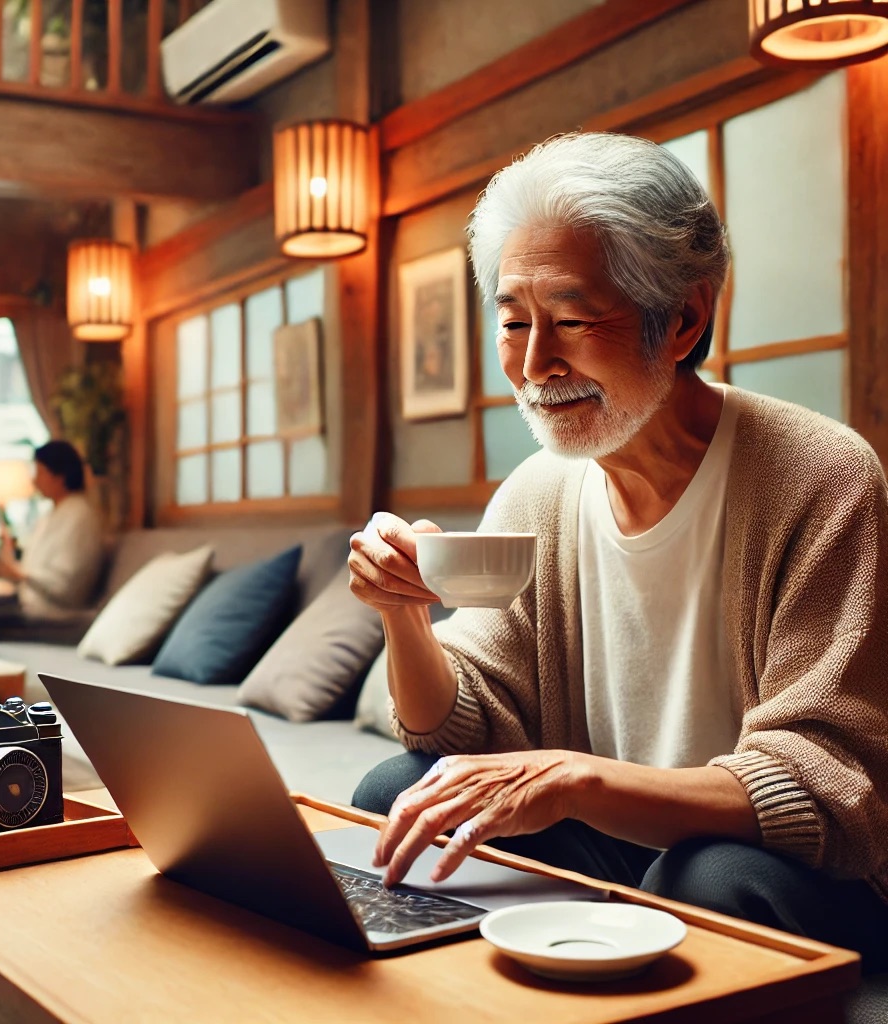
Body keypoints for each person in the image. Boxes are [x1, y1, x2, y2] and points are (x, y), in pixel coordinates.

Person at [347, 132, 888, 972]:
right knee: (401, 793)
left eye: (569, 321)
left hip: (792, 873)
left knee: (710, 872)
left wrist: (576, 779)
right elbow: (457, 727)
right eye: (514, 322)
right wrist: (405, 616)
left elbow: (822, 784)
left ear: (683, 318)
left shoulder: (821, 476)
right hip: (616, 852)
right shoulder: (540, 490)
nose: (533, 367)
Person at [0, 440, 105, 644]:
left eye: (40, 473)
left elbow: (67, 586)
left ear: (59, 476)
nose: (34, 481)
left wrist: (18, 574)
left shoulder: (80, 516)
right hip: (31, 604)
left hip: (57, 616)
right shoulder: (53, 513)